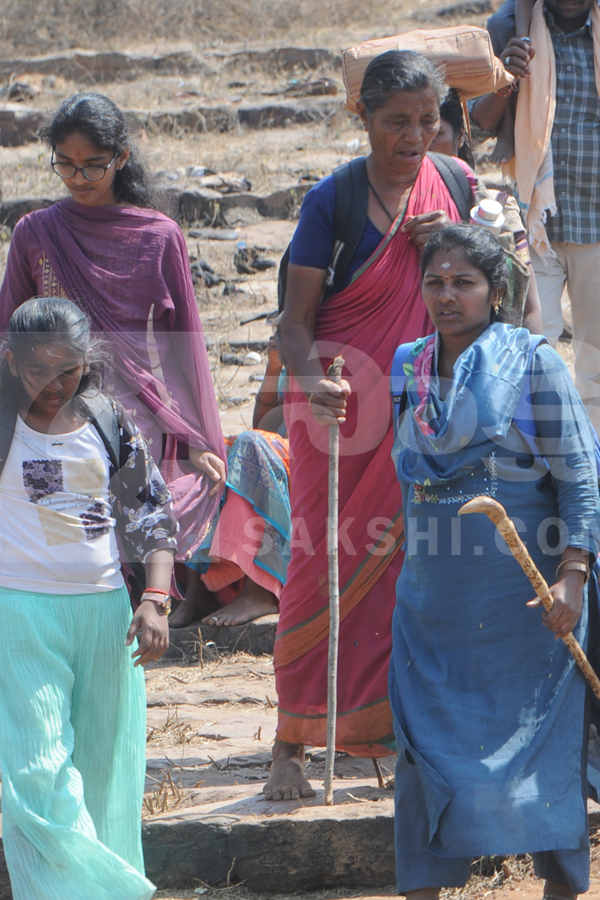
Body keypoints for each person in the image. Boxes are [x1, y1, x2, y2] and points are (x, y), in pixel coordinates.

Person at [264, 49, 542, 802]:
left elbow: (508, 297)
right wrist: (310, 380)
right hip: (339, 407)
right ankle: (291, 740)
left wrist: (449, 245)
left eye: (427, 120)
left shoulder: (454, 184)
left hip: (430, 405)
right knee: (319, 562)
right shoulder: (334, 202)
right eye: (397, 122)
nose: (415, 136)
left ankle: (407, 731)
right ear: (363, 117)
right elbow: (294, 323)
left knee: (420, 569)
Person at [390, 224, 600, 899]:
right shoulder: (406, 365)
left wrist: (573, 575)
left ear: (496, 290)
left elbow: (580, 478)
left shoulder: (534, 362)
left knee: (545, 751)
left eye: (464, 282)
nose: (447, 296)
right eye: (435, 282)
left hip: (528, 608)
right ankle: (421, 889)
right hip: (432, 606)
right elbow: (410, 481)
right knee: (425, 754)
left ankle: (563, 890)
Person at [0, 92, 226, 591]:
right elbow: (6, 331)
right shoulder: (35, 232)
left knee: (167, 479)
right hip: (51, 389)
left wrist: (189, 437)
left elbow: (181, 346)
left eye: (93, 166)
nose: (78, 179)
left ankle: (154, 588)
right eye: (66, 165)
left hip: (135, 397)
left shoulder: (160, 235)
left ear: (121, 159)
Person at [0, 296, 178, 900]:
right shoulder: (3, 422)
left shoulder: (109, 421)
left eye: (68, 368)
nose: (53, 384)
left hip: (106, 619)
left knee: (108, 777)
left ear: (87, 361)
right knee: (37, 772)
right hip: (20, 613)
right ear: (10, 361)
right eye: (36, 370)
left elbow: (152, 512)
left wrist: (154, 598)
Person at [471, 0, 600, 433]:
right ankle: (539, 472)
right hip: (533, 220)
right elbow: (480, 123)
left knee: (596, 365)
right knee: (527, 354)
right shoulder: (509, 25)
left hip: (596, 221)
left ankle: (591, 474)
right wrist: (508, 77)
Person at [171, 337, 290, 628]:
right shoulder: (298, 341)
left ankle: (260, 590)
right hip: (284, 451)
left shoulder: (339, 344)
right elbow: (266, 425)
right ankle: (199, 590)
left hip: (318, 458)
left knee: (251, 445)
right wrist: (275, 368)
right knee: (210, 454)